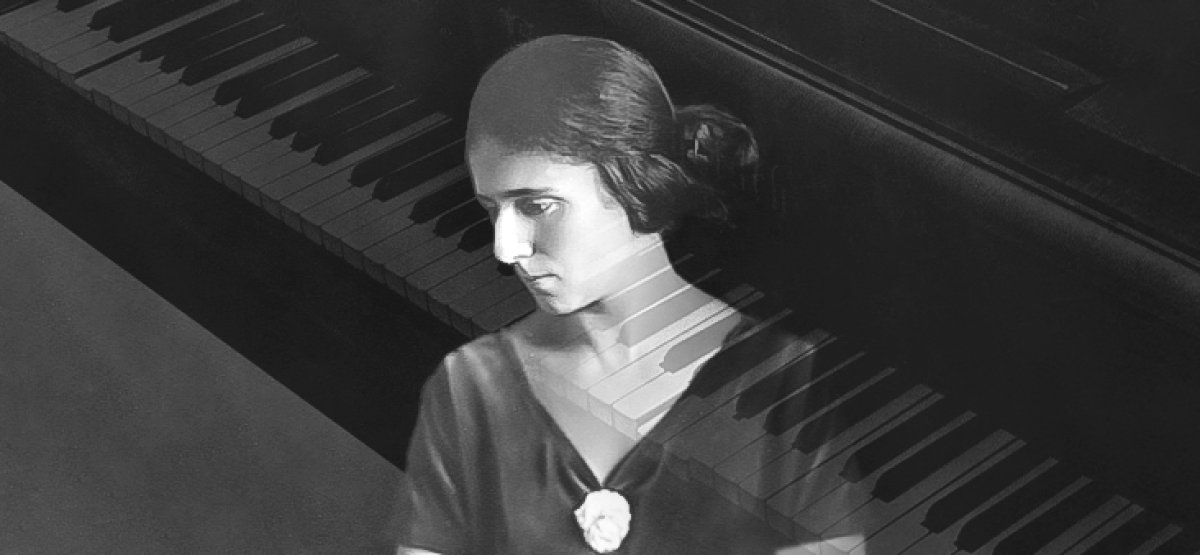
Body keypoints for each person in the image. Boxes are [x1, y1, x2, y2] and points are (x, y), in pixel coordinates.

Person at [395, 35, 868, 554]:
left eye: (537, 206)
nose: (505, 250)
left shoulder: (783, 377)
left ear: (634, 183)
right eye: (491, 209)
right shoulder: (469, 384)